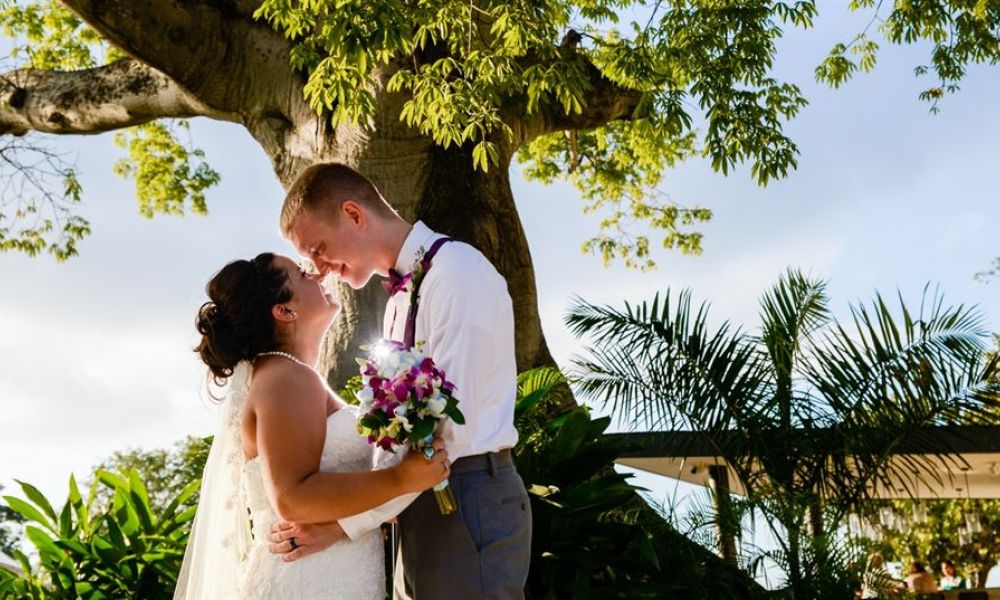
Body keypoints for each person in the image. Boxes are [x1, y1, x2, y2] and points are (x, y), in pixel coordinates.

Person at [269, 163, 532, 599]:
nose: (317, 269)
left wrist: (343, 524)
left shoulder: (457, 273)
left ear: (353, 214)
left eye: (318, 248)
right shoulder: (397, 302)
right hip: (417, 502)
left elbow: (450, 434)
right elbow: (398, 437)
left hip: (467, 497)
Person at [174, 252, 451, 599]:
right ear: (285, 311)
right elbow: (292, 497)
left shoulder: (286, 376)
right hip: (308, 580)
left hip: (325, 572)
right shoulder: (286, 377)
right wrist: (401, 478)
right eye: (303, 275)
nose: (318, 275)